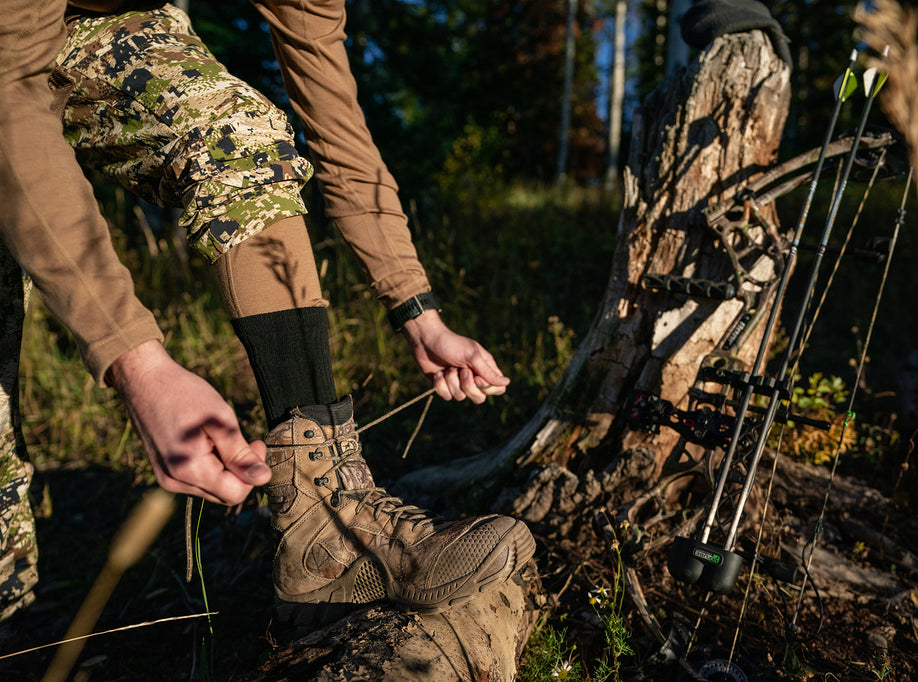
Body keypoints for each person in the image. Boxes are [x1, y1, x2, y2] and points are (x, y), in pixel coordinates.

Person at [0, 0, 534, 625]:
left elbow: (337, 128)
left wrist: (418, 309)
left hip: (92, 26)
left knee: (238, 132)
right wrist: (136, 362)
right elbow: (9, 94)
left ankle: (326, 519)